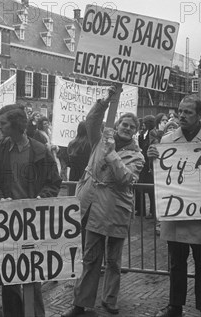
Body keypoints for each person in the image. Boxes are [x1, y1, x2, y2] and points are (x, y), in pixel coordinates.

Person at [62, 86, 144, 317]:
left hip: (116, 208)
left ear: (135, 131)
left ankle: (110, 299)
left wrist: (112, 154)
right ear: (116, 126)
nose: (127, 129)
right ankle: (80, 303)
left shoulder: (138, 156)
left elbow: (127, 178)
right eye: (124, 125)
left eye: (131, 126)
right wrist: (107, 99)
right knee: (90, 257)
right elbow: (91, 119)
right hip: (91, 203)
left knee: (114, 260)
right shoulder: (100, 139)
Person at [0, 104, 61, 317]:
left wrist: (40, 199)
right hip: (7, 222)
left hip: (33, 223)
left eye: (3, 122)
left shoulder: (40, 150)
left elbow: (54, 182)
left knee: (32, 276)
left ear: (17, 124)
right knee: (8, 278)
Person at [147, 95, 201, 317]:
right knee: (176, 264)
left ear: (200, 116)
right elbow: (160, 177)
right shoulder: (167, 141)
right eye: (180, 111)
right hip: (177, 215)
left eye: (188, 112)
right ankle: (175, 306)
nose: (182, 115)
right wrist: (153, 160)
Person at [137, 115, 157, 217]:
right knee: (145, 189)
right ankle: (144, 211)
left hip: (149, 165)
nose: (143, 125)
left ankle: (153, 212)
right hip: (144, 165)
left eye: (145, 123)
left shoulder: (152, 133)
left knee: (151, 191)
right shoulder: (143, 134)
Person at [67, 121, 91, 190]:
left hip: (73, 176)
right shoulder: (91, 144)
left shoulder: (71, 144)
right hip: (86, 176)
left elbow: (69, 162)